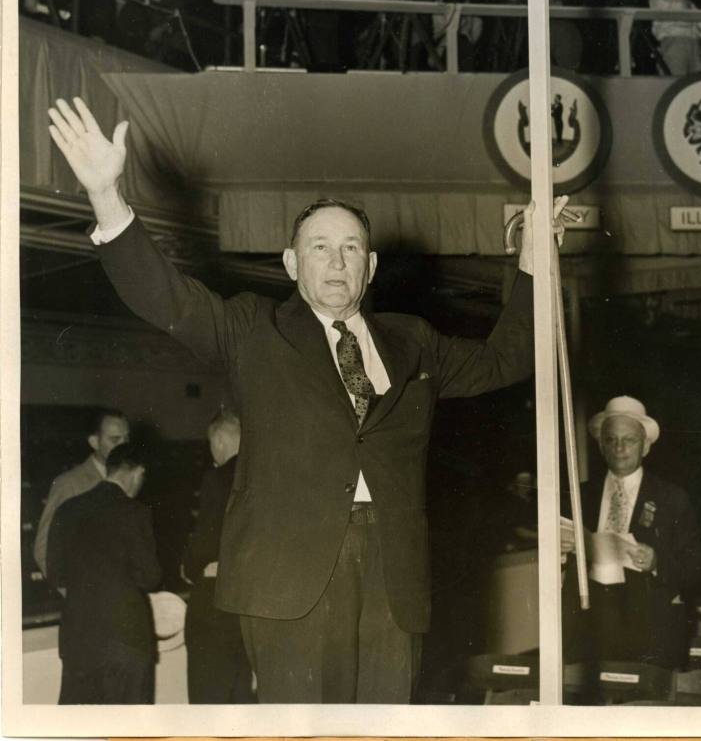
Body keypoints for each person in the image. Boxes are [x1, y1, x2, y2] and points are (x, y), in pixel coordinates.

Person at [47, 95, 562, 704]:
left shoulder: (413, 340)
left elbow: (506, 359)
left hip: (395, 582)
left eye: (350, 249)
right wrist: (107, 196)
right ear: (292, 263)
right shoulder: (252, 331)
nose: (336, 261)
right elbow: (168, 298)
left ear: (369, 267)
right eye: (319, 246)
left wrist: (535, 263)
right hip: (289, 582)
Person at [561, 395, 701, 673]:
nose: (619, 448)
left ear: (646, 446)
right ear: (601, 445)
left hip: (649, 633)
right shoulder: (579, 497)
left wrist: (656, 562)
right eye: (611, 439)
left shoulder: (672, 499)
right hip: (590, 632)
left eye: (629, 440)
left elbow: (696, 569)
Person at [47, 442, 162, 704]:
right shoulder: (135, 512)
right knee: (127, 728)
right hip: (125, 641)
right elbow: (150, 577)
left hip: (78, 641)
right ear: (137, 472)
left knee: (82, 726)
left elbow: (56, 574)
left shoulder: (67, 509)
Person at [182, 409, 256, 704]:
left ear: (221, 440)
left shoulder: (218, 477)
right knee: (241, 693)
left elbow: (207, 541)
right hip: (250, 606)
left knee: (208, 697)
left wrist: (189, 566)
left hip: (217, 604)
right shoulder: (264, 474)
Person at [34, 409, 130, 577]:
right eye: (115, 440)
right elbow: (43, 549)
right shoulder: (69, 484)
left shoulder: (131, 480)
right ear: (94, 442)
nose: (124, 447)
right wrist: (74, 594)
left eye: (127, 439)